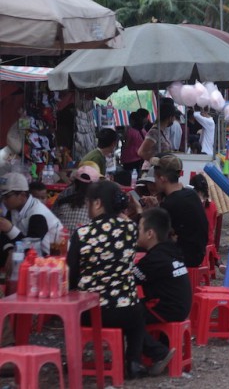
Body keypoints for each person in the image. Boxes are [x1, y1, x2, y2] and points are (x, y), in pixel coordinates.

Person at [67, 180, 174, 379]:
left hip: (92, 311)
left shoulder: (82, 234)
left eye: (89, 202)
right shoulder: (130, 229)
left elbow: (71, 275)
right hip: (127, 309)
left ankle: (74, 360)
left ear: (97, 203)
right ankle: (133, 362)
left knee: (82, 311)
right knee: (135, 311)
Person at [133, 207, 190, 366]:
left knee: (126, 315)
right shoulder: (170, 249)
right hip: (181, 306)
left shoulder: (154, 259)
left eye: (139, 229)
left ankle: (158, 353)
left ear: (150, 233)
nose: (136, 232)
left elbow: (128, 281)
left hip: (167, 308)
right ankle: (160, 347)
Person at [148, 154, 208, 267]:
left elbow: (156, 233)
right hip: (198, 252)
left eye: (155, 178)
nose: (154, 182)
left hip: (185, 257)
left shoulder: (170, 203)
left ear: (162, 179)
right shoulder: (190, 194)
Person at [0, 172, 63, 263]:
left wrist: (10, 229)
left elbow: (31, 249)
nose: (4, 200)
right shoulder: (13, 209)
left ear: (22, 195)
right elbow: (4, 236)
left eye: (7, 196)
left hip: (52, 261)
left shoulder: (38, 214)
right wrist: (10, 250)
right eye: (2, 196)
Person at [51, 164, 101, 233]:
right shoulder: (96, 204)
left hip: (61, 240)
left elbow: (52, 217)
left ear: (75, 182)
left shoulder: (63, 195)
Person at [121, 111, 147, 175]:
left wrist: (122, 139)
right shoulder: (143, 131)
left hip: (129, 159)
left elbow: (126, 145)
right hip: (139, 158)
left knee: (128, 178)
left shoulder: (130, 131)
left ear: (132, 120)